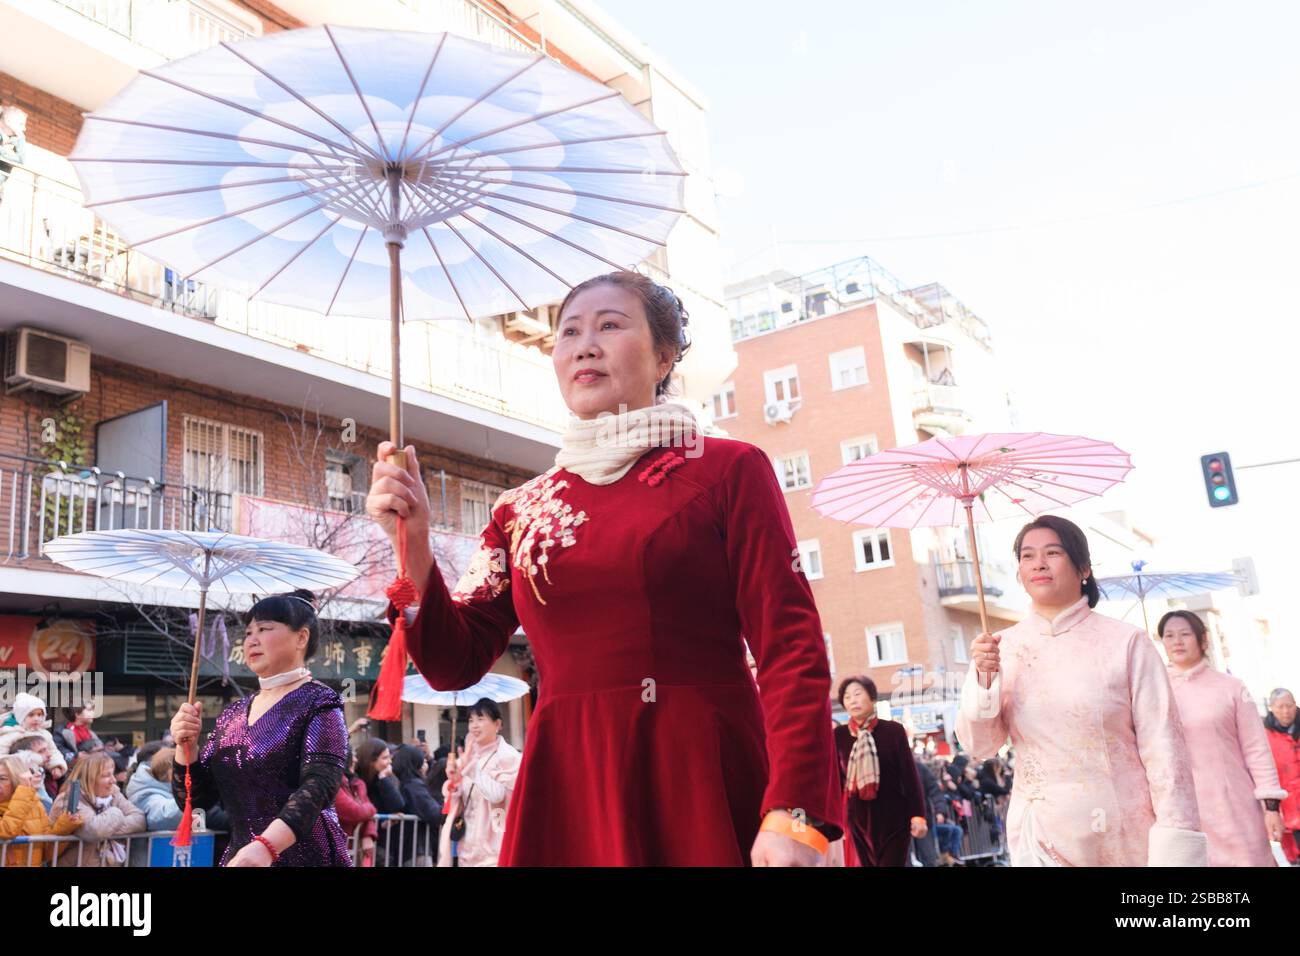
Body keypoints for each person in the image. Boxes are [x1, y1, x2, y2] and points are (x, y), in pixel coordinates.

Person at [367, 271, 843, 866]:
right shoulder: (520, 510)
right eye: (568, 332)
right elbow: (452, 662)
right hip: (566, 783)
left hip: (699, 772)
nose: (584, 344)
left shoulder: (728, 469)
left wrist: (793, 812)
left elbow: (790, 646)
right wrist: (414, 546)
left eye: (610, 325)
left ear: (664, 354)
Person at [957, 515, 1207, 866]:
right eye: (1027, 556)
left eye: (1053, 552)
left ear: (1084, 568)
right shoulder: (1000, 649)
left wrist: (1176, 843)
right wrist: (983, 680)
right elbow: (980, 746)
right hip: (1040, 837)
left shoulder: (1126, 643)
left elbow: (1165, 749)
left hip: (1121, 834)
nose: (1039, 564)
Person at [168, 590, 352, 867]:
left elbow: (320, 785)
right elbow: (197, 801)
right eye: (249, 631)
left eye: (264, 629)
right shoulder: (233, 714)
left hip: (307, 858)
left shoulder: (321, 702)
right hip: (243, 857)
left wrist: (267, 846)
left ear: (301, 637)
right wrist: (186, 749)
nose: (251, 639)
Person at [1161, 610, 1286, 866]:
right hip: (1181, 810)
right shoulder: (1154, 690)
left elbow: (1256, 749)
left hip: (1233, 805)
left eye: (1185, 634)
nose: (1177, 642)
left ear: (1203, 639)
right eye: (1169, 635)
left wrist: (1271, 806)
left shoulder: (1231, 688)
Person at [832, 676, 925, 866]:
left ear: (872, 698)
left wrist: (918, 814)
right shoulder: (839, 736)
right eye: (848, 697)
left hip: (894, 818)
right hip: (857, 819)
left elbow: (910, 776)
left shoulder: (893, 731)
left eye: (858, 694)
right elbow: (835, 781)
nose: (853, 700)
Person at [436, 698, 520, 868]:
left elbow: (499, 796)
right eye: (471, 720)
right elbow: (455, 803)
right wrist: (455, 781)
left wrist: (472, 770)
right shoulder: (469, 756)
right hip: (467, 847)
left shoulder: (508, 757)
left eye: (481, 719)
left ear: (498, 724)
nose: (474, 725)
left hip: (496, 847)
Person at [48, 752, 146, 867]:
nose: (113, 780)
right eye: (106, 776)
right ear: (89, 779)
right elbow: (93, 830)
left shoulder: (113, 792)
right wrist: (116, 813)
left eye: (112, 774)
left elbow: (139, 819)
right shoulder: (69, 799)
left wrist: (108, 829)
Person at [0, 754, 80, 867]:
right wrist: (24, 792)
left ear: (17, 780)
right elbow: (6, 831)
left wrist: (65, 827)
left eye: (2, 779)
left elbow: (47, 852)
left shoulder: (35, 805)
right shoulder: (26, 798)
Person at [1263, 687, 1300, 864]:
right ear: (1272, 708)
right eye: (1280, 707)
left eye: (1289, 705)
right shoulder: (1264, 735)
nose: (1286, 711)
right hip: (1285, 806)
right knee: (1290, 853)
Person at [0, 693, 69, 784]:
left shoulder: (44, 734)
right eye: (31, 715)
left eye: (39, 714)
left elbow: (53, 752)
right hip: (18, 777)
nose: (36, 718)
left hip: (42, 775)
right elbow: (2, 755)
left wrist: (56, 765)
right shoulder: (11, 733)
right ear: (21, 717)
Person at [335, 749, 378, 866]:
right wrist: (371, 808)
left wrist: (368, 834)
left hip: (350, 850)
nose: (355, 759)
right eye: (352, 755)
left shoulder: (355, 783)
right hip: (337, 850)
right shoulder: (333, 783)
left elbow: (365, 811)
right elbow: (356, 812)